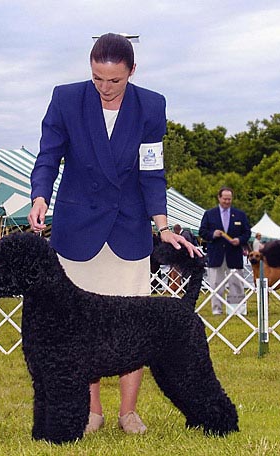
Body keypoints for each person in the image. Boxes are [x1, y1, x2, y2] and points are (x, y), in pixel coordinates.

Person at [28, 33, 200, 435]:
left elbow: (151, 171)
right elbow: (48, 154)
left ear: (132, 72)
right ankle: (91, 412)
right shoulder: (66, 98)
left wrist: (162, 225)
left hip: (128, 227)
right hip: (76, 229)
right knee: (79, 329)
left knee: (134, 325)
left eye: (114, 81)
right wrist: (39, 196)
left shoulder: (151, 105)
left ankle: (128, 412)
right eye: (97, 79)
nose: (105, 88)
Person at [199, 187, 251, 315]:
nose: (227, 201)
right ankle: (217, 310)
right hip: (216, 256)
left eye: (229, 199)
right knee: (216, 284)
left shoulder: (240, 214)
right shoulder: (209, 214)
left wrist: (239, 240)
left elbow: (247, 232)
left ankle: (236, 309)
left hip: (234, 255)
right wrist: (213, 234)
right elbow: (202, 232)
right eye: (225, 199)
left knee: (236, 283)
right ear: (219, 198)